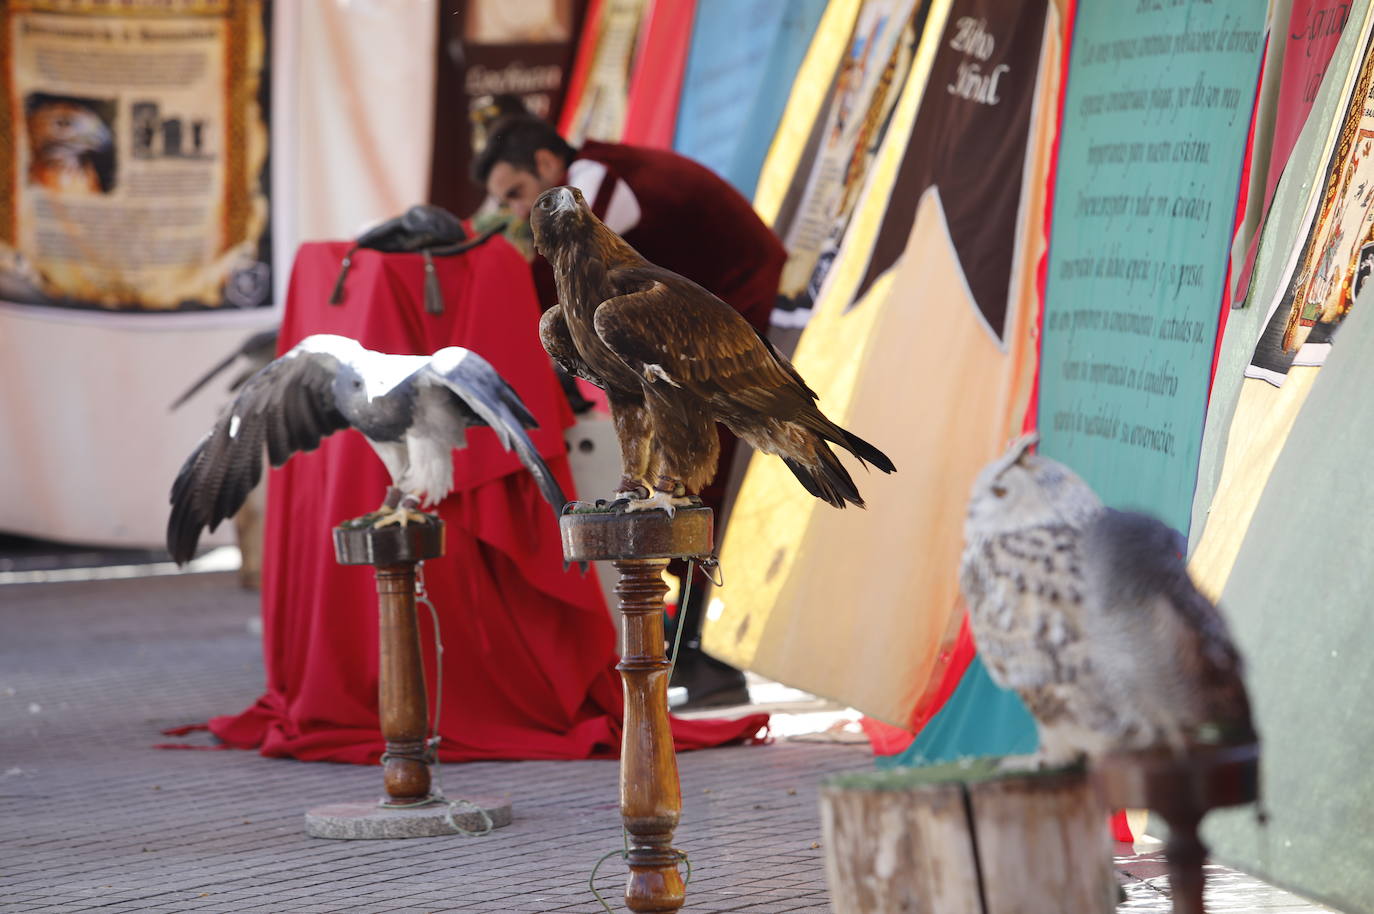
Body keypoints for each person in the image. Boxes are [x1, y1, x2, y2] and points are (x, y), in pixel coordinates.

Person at [472, 114, 787, 708]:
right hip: (707, 320)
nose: (517, 213)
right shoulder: (604, 170)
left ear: (545, 164)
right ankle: (689, 642)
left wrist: (493, 282)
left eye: (516, 194)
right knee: (680, 482)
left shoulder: (594, 185)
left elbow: (565, 277)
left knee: (697, 482)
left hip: (738, 318)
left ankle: (700, 650)